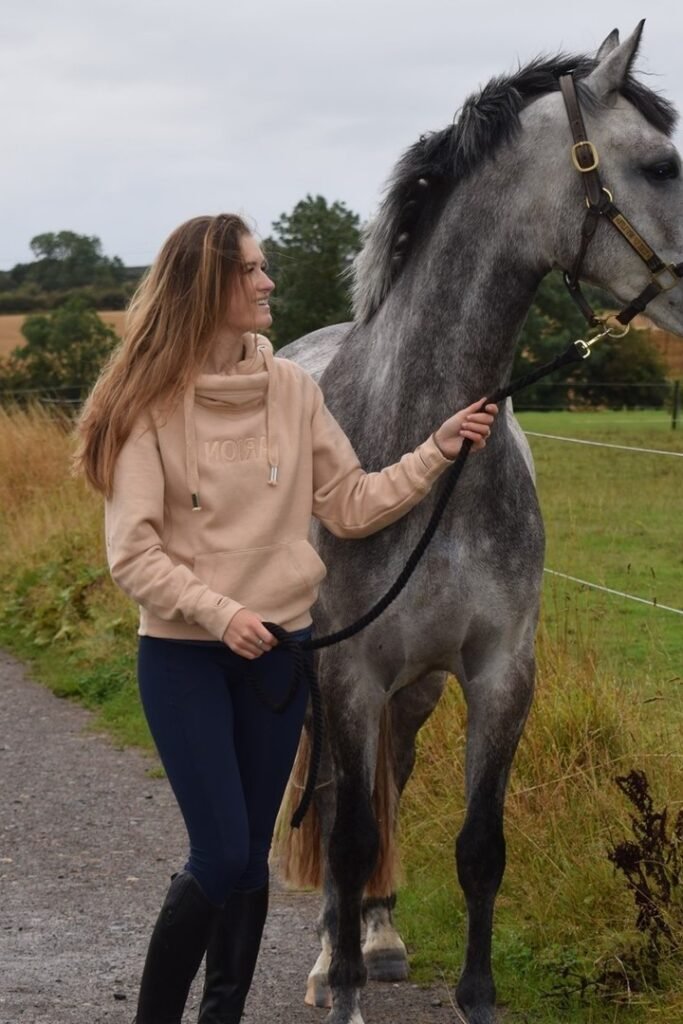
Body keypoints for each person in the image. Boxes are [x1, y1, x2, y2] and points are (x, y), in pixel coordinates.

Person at [75, 213, 498, 1024]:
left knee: (249, 870)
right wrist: (220, 611)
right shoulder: (144, 407)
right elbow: (133, 553)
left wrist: (437, 449)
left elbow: (349, 503)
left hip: (278, 659)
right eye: (252, 271)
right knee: (223, 850)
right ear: (206, 287)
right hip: (186, 659)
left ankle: (222, 1017)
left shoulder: (294, 391)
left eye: (264, 268)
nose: (268, 284)